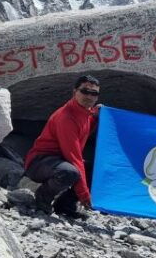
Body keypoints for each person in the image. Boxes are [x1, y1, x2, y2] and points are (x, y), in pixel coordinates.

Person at [24, 75, 101, 219]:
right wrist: (84, 195)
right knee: (70, 172)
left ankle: (65, 205)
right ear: (74, 92)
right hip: (39, 162)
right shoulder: (67, 117)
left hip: (59, 161)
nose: (89, 96)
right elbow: (74, 158)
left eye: (94, 93)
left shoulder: (85, 112)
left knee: (95, 169)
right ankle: (43, 197)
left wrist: (96, 117)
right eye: (85, 91)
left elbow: (84, 130)